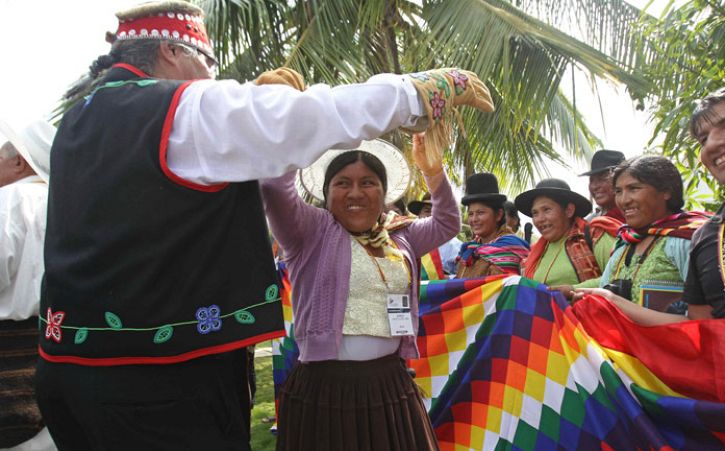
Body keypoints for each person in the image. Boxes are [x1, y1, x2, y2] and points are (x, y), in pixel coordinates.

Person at [35, 1, 493, 448]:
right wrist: (423, 89)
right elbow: (306, 120)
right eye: (208, 62)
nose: (212, 78)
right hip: (161, 385)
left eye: (369, 183)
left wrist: (435, 174)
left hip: (73, 372)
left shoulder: (81, 119)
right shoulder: (182, 109)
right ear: (172, 52)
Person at [261, 135, 458, 450]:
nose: (355, 193)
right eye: (342, 183)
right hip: (324, 388)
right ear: (326, 194)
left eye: (368, 183)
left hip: (390, 384)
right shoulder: (310, 231)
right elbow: (273, 188)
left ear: (384, 193)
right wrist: (299, 128)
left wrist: (434, 173)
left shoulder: (402, 235)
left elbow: (447, 223)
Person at [578, 80, 725, 325]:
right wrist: (611, 302)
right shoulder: (708, 236)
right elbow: (699, 331)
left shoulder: (684, 237)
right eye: (703, 139)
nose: (713, 144)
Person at [0, 119, 57, 451]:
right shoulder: (68, 205)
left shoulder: (10, 202)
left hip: (10, 374)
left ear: (19, 160)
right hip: (59, 361)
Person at [597, 156, 710, 313]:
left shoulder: (688, 239)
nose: (624, 200)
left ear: (666, 192)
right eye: (618, 191)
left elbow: (707, 318)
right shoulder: (624, 242)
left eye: (634, 189)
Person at [516, 179, 620, 296]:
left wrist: (574, 289)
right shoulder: (536, 253)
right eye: (535, 213)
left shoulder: (594, 236)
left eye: (547, 210)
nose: (540, 219)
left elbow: (619, 277)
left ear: (569, 210)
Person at [455, 173, 529, 278]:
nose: (474, 219)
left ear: (499, 215)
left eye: (480, 213)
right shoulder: (469, 249)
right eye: (471, 214)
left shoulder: (510, 248)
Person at [410, 192, 462, 279]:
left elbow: (463, 277)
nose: (432, 215)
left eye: (437, 212)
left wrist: (442, 278)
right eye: (427, 211)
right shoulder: (408, 242)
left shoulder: (456, 246)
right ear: (419, 215)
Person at [580, 149, 626, 222]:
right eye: (591, 180)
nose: (595, 186)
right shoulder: (589, 222)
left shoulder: (634, 217)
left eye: (602, 178)